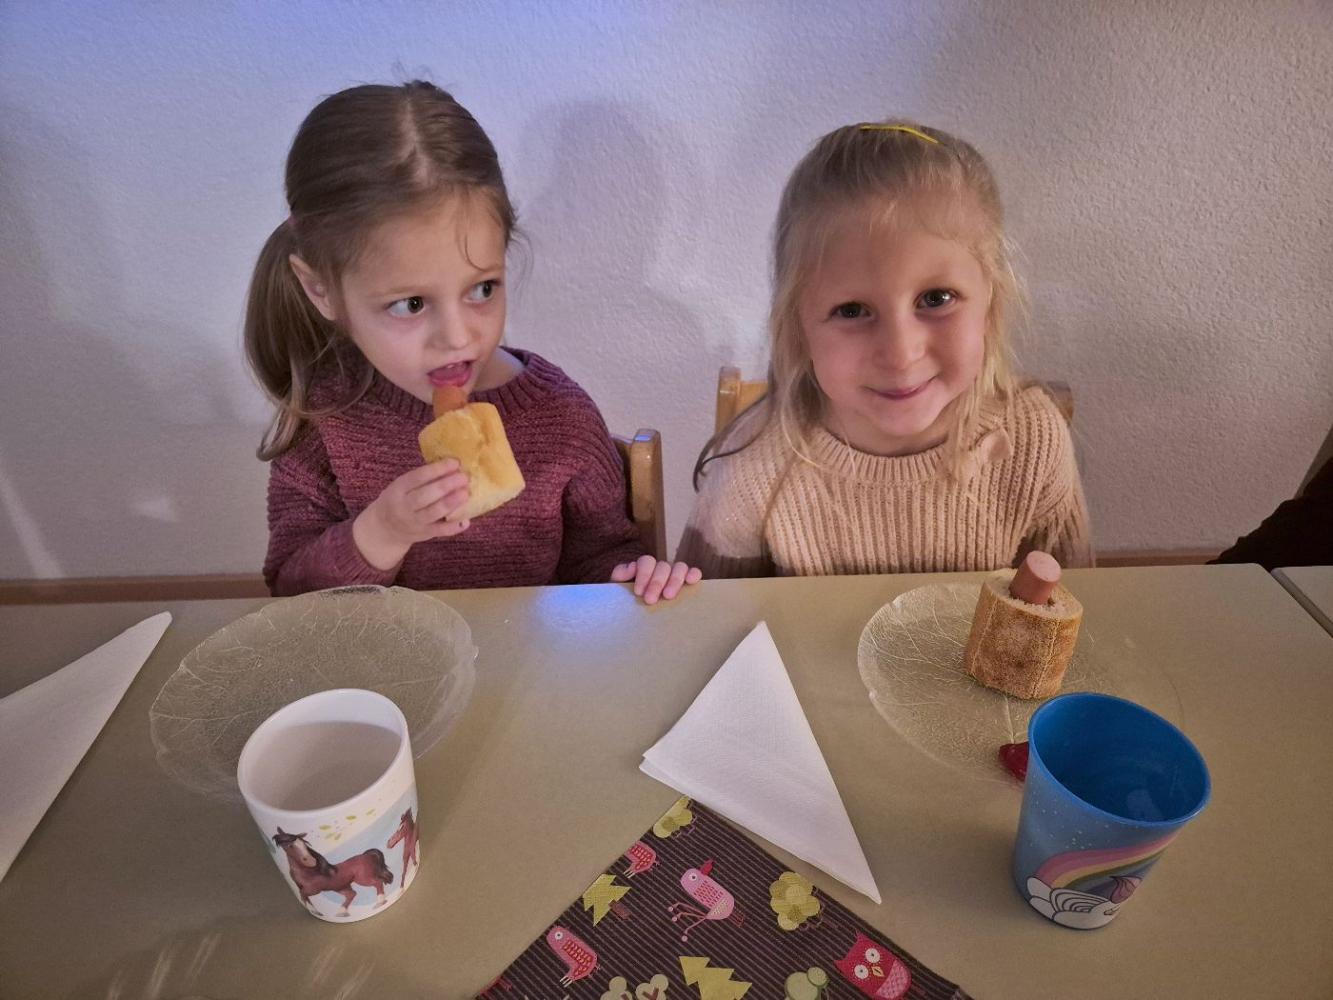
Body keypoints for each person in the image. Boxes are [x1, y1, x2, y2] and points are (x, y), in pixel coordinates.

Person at [245, 81, 700, 602]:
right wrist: (379, 534)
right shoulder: (325, 419)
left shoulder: (562, 419)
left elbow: (599, 561)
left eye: (482, 289)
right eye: (410, 304)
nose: (458, 338)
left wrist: (635, 579)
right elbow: (290, 589)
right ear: (321, 290)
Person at [679, 121, 1092, 577]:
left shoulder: (1033, 440)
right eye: (852, 310)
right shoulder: (753, 465)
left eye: (936, 299)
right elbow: (705, 612)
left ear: (990, 303)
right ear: (798, 328)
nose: (900, 354)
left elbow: (1072, 601)